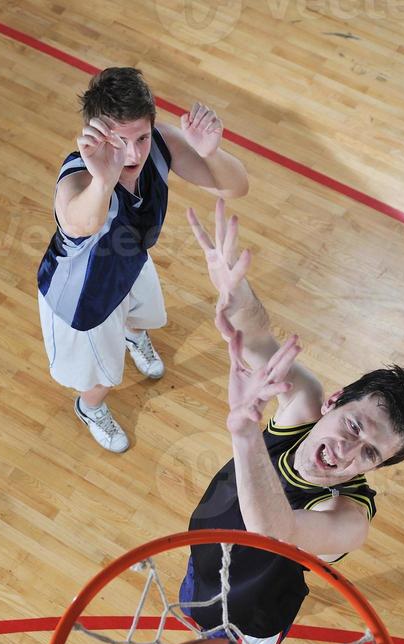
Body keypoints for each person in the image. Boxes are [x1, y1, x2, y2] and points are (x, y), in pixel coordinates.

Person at [180, 199, 404, 644]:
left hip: (252, 622)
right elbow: (257, 337)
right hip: (204, 568)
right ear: (334, 401)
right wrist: (234, 291)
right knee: (196, 597)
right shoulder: (303, 406)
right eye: (354, 427)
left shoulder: (347, 519)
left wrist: (244, 432)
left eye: (372, 454)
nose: (348, 453)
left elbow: (275, 529)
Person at [37, 67, 249, 453]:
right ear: (97, 136)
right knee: (102, 377)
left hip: (131, 263)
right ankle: (90, 407)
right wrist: (104, 180)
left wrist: (211, 152)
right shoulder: (78, 179)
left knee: (143, 317)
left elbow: (236, 187)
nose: (134, 153)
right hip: (85, 298)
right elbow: (81, 222)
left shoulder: (162, 143)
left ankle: (134, 337)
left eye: (142, 137)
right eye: (120, 141)